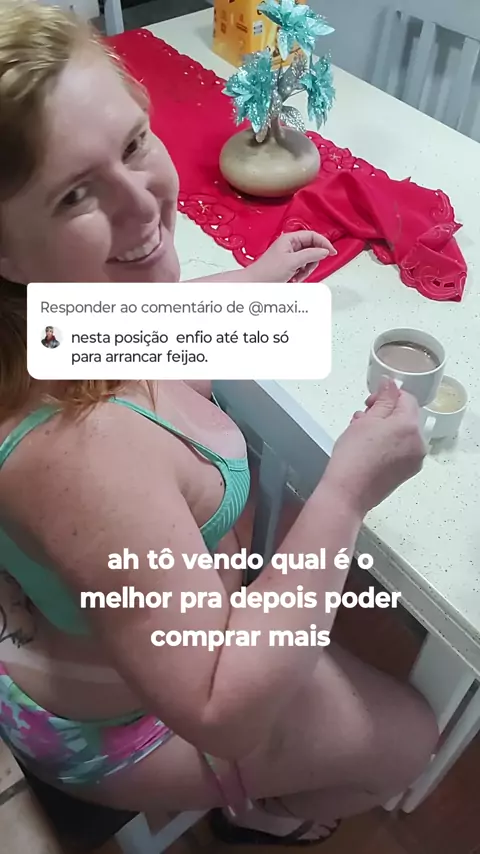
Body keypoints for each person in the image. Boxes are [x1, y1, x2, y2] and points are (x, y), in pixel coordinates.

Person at [0, 1, 437, 846]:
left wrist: (255, 280)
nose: (144, 207)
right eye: (75, 195)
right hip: (128, 722)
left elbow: (146, 323)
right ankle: (265, 821)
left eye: (134, 144)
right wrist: (347, 489)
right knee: (411, 740)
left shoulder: (52, 317)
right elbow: (218, 710)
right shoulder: (77, 450)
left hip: (117, 644)